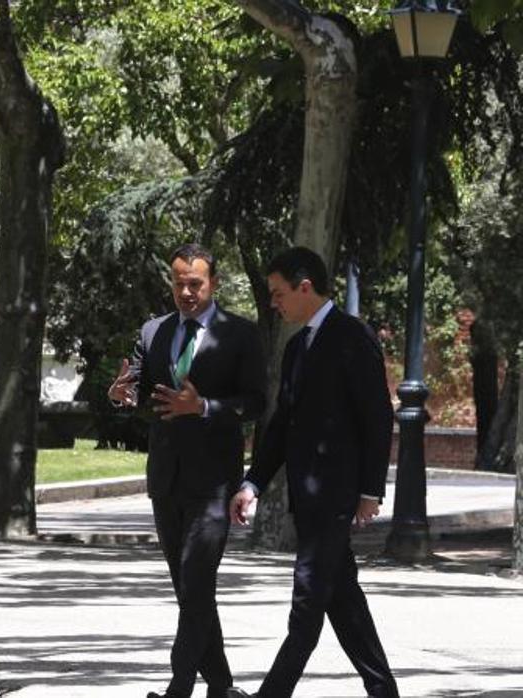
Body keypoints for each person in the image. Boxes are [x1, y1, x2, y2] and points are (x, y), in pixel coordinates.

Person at [229, 247, 398, 698]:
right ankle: (384, 691)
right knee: (343, 603)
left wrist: (369, 489)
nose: (273, 303)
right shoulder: (297, 346)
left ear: (305, 287)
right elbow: (282, 425)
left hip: (336, 495)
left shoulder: (352, 336)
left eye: (278, 293)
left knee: (306, 606)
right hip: (309, 499)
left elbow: (378, 417)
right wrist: (253, 483)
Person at [108, 243, 264, 698]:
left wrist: (206, 407)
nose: (186, 292)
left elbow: (256, 403)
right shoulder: (154, 331)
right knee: (188, 588)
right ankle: (220, 685)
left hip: (214, 484)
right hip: (166, 479)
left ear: (212, 283)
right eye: (178, 282)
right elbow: (138, 391)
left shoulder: (240, 334)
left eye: (195, 283)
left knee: (197, 581)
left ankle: (179, 687)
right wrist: (120, 395)